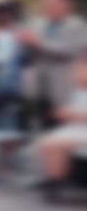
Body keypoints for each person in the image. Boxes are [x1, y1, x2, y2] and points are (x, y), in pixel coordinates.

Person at [17, 0, 87, 130]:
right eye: (45, 1)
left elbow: (69, 50)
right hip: (40, 85)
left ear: (66, 3)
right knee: (42, 124)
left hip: (64, 85)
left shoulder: (77, 25)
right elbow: (31, 55)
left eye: (51, 1)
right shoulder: (38, 23)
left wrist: (38, 42)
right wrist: (26, 43)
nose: (46, 5)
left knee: (64, 125)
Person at [35, 51, 87, 196]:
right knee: (47, 141)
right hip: (78, 128)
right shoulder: (80, 91)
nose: (75, 73)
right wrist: (65, 113)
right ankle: (55, 179)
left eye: (81, 68)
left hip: (83, 130)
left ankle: (58, 180)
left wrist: (71, 114)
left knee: (53, 143)